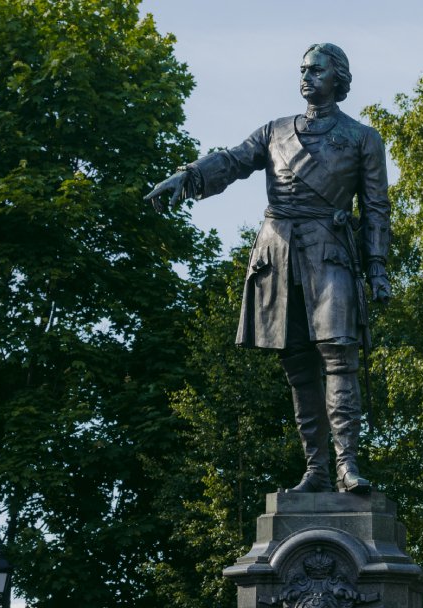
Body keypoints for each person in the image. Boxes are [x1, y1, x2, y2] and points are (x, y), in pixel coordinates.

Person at [146, 43, 390, 494]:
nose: (306, 77)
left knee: (339, 354)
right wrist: (189, 175)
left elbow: (376, 207)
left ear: (338, 77)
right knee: (297, 363)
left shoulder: (362, 138)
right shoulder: (274, 132)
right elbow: (232, 160)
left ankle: (347, 467)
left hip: (330, 251)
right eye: (303, 70)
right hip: (278, 255)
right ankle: (316, 470)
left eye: (316, 70)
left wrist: (377, 267)